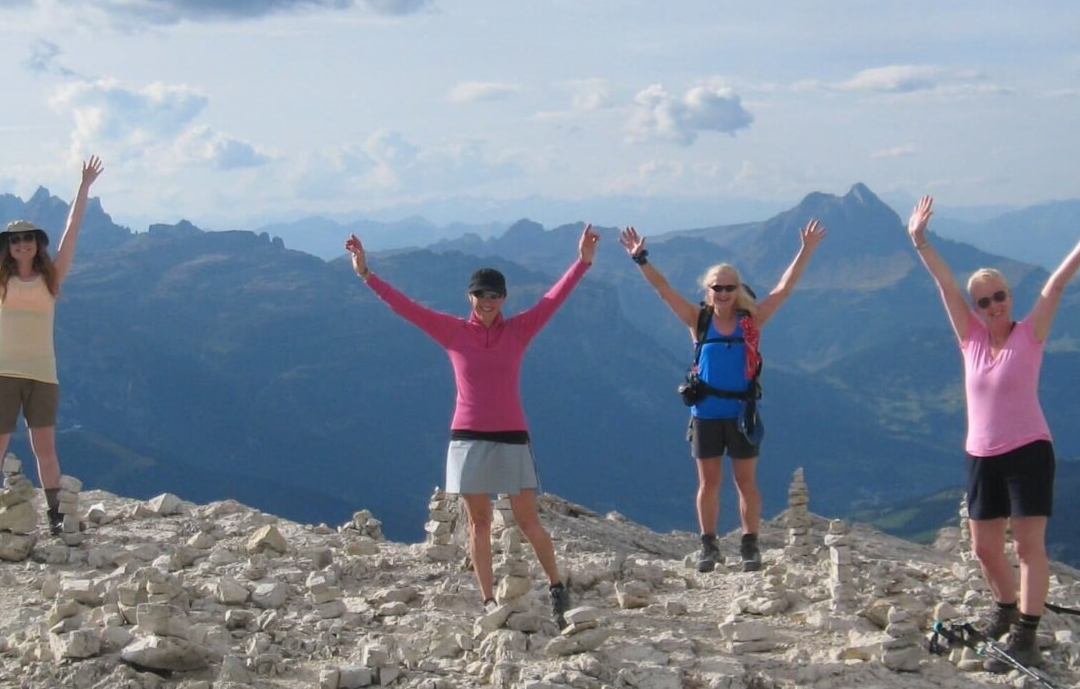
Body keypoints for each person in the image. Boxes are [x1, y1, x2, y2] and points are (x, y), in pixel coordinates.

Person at [908, 196, 1080, 671]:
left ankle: (1026, 633)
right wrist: (920, 241)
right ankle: (1006, 608)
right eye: (983, 301)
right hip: (981, 454)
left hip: (1029, 449)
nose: (992, 306)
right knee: (985, 548)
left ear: (1010, 297)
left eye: (999, 296)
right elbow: (946, 284)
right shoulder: (970, 337)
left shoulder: (1030, 332)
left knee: (1028, 547)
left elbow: (1056, 285)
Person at [345, 226, 598, 630]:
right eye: (481, 295)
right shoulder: (452, 331)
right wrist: (366, 273)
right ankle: (487, 599)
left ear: (504, 299)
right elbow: (406, 307)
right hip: (466, 437)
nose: (488, 302)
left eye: (495, 296)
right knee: (478, 523)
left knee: (528, 520)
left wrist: (581, 263)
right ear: (471, 296)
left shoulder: (518, 330)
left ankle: (556, 589)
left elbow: (553, 299)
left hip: (511, 435)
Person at [617, 219, 826, 573]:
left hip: (742, 412)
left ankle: (749, 544)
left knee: (746, 483)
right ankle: (709, 545)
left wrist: (805, 250)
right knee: (708, 482)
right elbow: (663, 289)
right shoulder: (697, 320)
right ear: (709, 289)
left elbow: (784, 288)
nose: (724, 293)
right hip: (706, 413)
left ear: (738, 289)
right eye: (718, 287)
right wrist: (641, 259)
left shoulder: (752, 320)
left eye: (730, 287)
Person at [0, 154, 104, 544]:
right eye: (16, 240)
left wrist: (84, 186)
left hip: (41, 373)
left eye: (28, 238)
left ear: (37, 244)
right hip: (1, 371)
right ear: (9, 246)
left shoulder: (51, 277)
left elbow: (72, 229)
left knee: (45, 450)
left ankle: (55, 518)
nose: (22, 244)